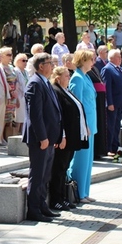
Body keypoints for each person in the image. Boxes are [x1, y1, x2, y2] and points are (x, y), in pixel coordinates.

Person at [23, 53, 63, 222]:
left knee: (45, 175)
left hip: (49, 138)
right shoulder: (34, 83)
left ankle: (42, 205)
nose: (53, 66)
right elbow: (35, 115)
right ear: (41, 66)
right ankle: (33, 210)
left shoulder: (45, 82)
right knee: (37, 174)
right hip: (40, 139)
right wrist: (43, 137)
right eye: (49, 63)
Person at [49, 65, 88, 210]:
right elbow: (59, 116)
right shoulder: (56, 91)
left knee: (64, 167)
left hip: (72, 136)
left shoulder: (66, 90)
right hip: (63, 137)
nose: (69, 78)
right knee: (58, 168)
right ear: (58, 78)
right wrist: (62, 136)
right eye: (66, 75)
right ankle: (55, 198)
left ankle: (63, 197)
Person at [68, 49, 98, 203]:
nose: (93, 62)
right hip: (83, 126)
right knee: (81, 159)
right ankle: (78, 193)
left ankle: (85, 192)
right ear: (83, 60)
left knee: (88, 160)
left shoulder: (86, 77)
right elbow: (76, 104)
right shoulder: (77, 78)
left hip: (91, 124)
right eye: (90, 59)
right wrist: (83, 125)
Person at [100, 49, 122, 154]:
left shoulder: (120, 69)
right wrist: (109, 102)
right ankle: (108, 148)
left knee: (117, 126)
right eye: (118, 57)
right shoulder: (107, 69)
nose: (120, 59)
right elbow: (107, 87)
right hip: (113, 104)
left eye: (120, 57)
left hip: (120, 103)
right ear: (111, 58)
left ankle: (115, 146)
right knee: (110, 126)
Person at [13, 53, 29, 133]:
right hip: (19, 97)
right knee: (18, 119)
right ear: (18, 61)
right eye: (23, 61)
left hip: (25, 97)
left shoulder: (26, 72)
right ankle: (15, 136)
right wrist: (16, 99)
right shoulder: (15, 71)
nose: (25, 62)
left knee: (24, 119)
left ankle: (22, 135)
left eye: (26, 60)